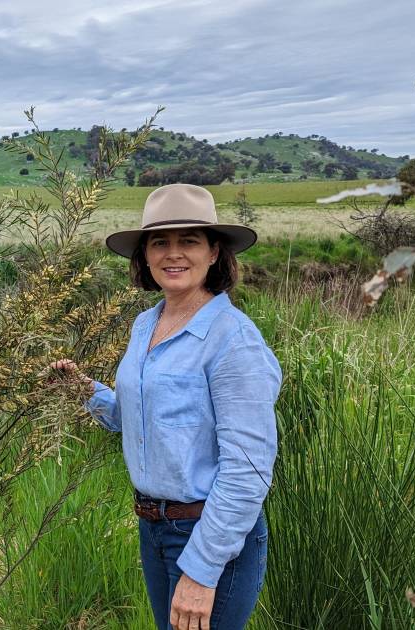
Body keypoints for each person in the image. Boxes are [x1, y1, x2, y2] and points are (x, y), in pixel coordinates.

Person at [51, 183, 282, 630]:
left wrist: (201, 570)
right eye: (160, 242)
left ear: (215, 252)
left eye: (189, 240)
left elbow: (248, 471)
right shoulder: (147, 324)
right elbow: (137, 421)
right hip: (153, 528)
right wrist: (83, 390)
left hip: (210, 537)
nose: (173, 254)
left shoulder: (233, 340)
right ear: (145, 255)